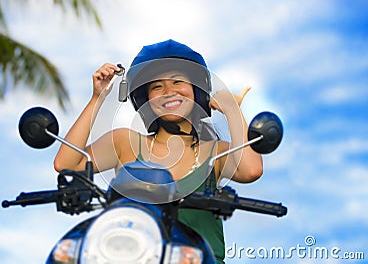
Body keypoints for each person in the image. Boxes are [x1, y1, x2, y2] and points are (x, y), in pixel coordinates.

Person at [54, 39, 263, 263]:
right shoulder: (126, 142)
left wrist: (232, 109)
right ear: (145, 99)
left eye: (178, 82)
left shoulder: (215, 152)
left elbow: (251, 170)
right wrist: (98, 98)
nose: (168, 92)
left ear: (197, 90)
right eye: (157, 86)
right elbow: (66, 164)